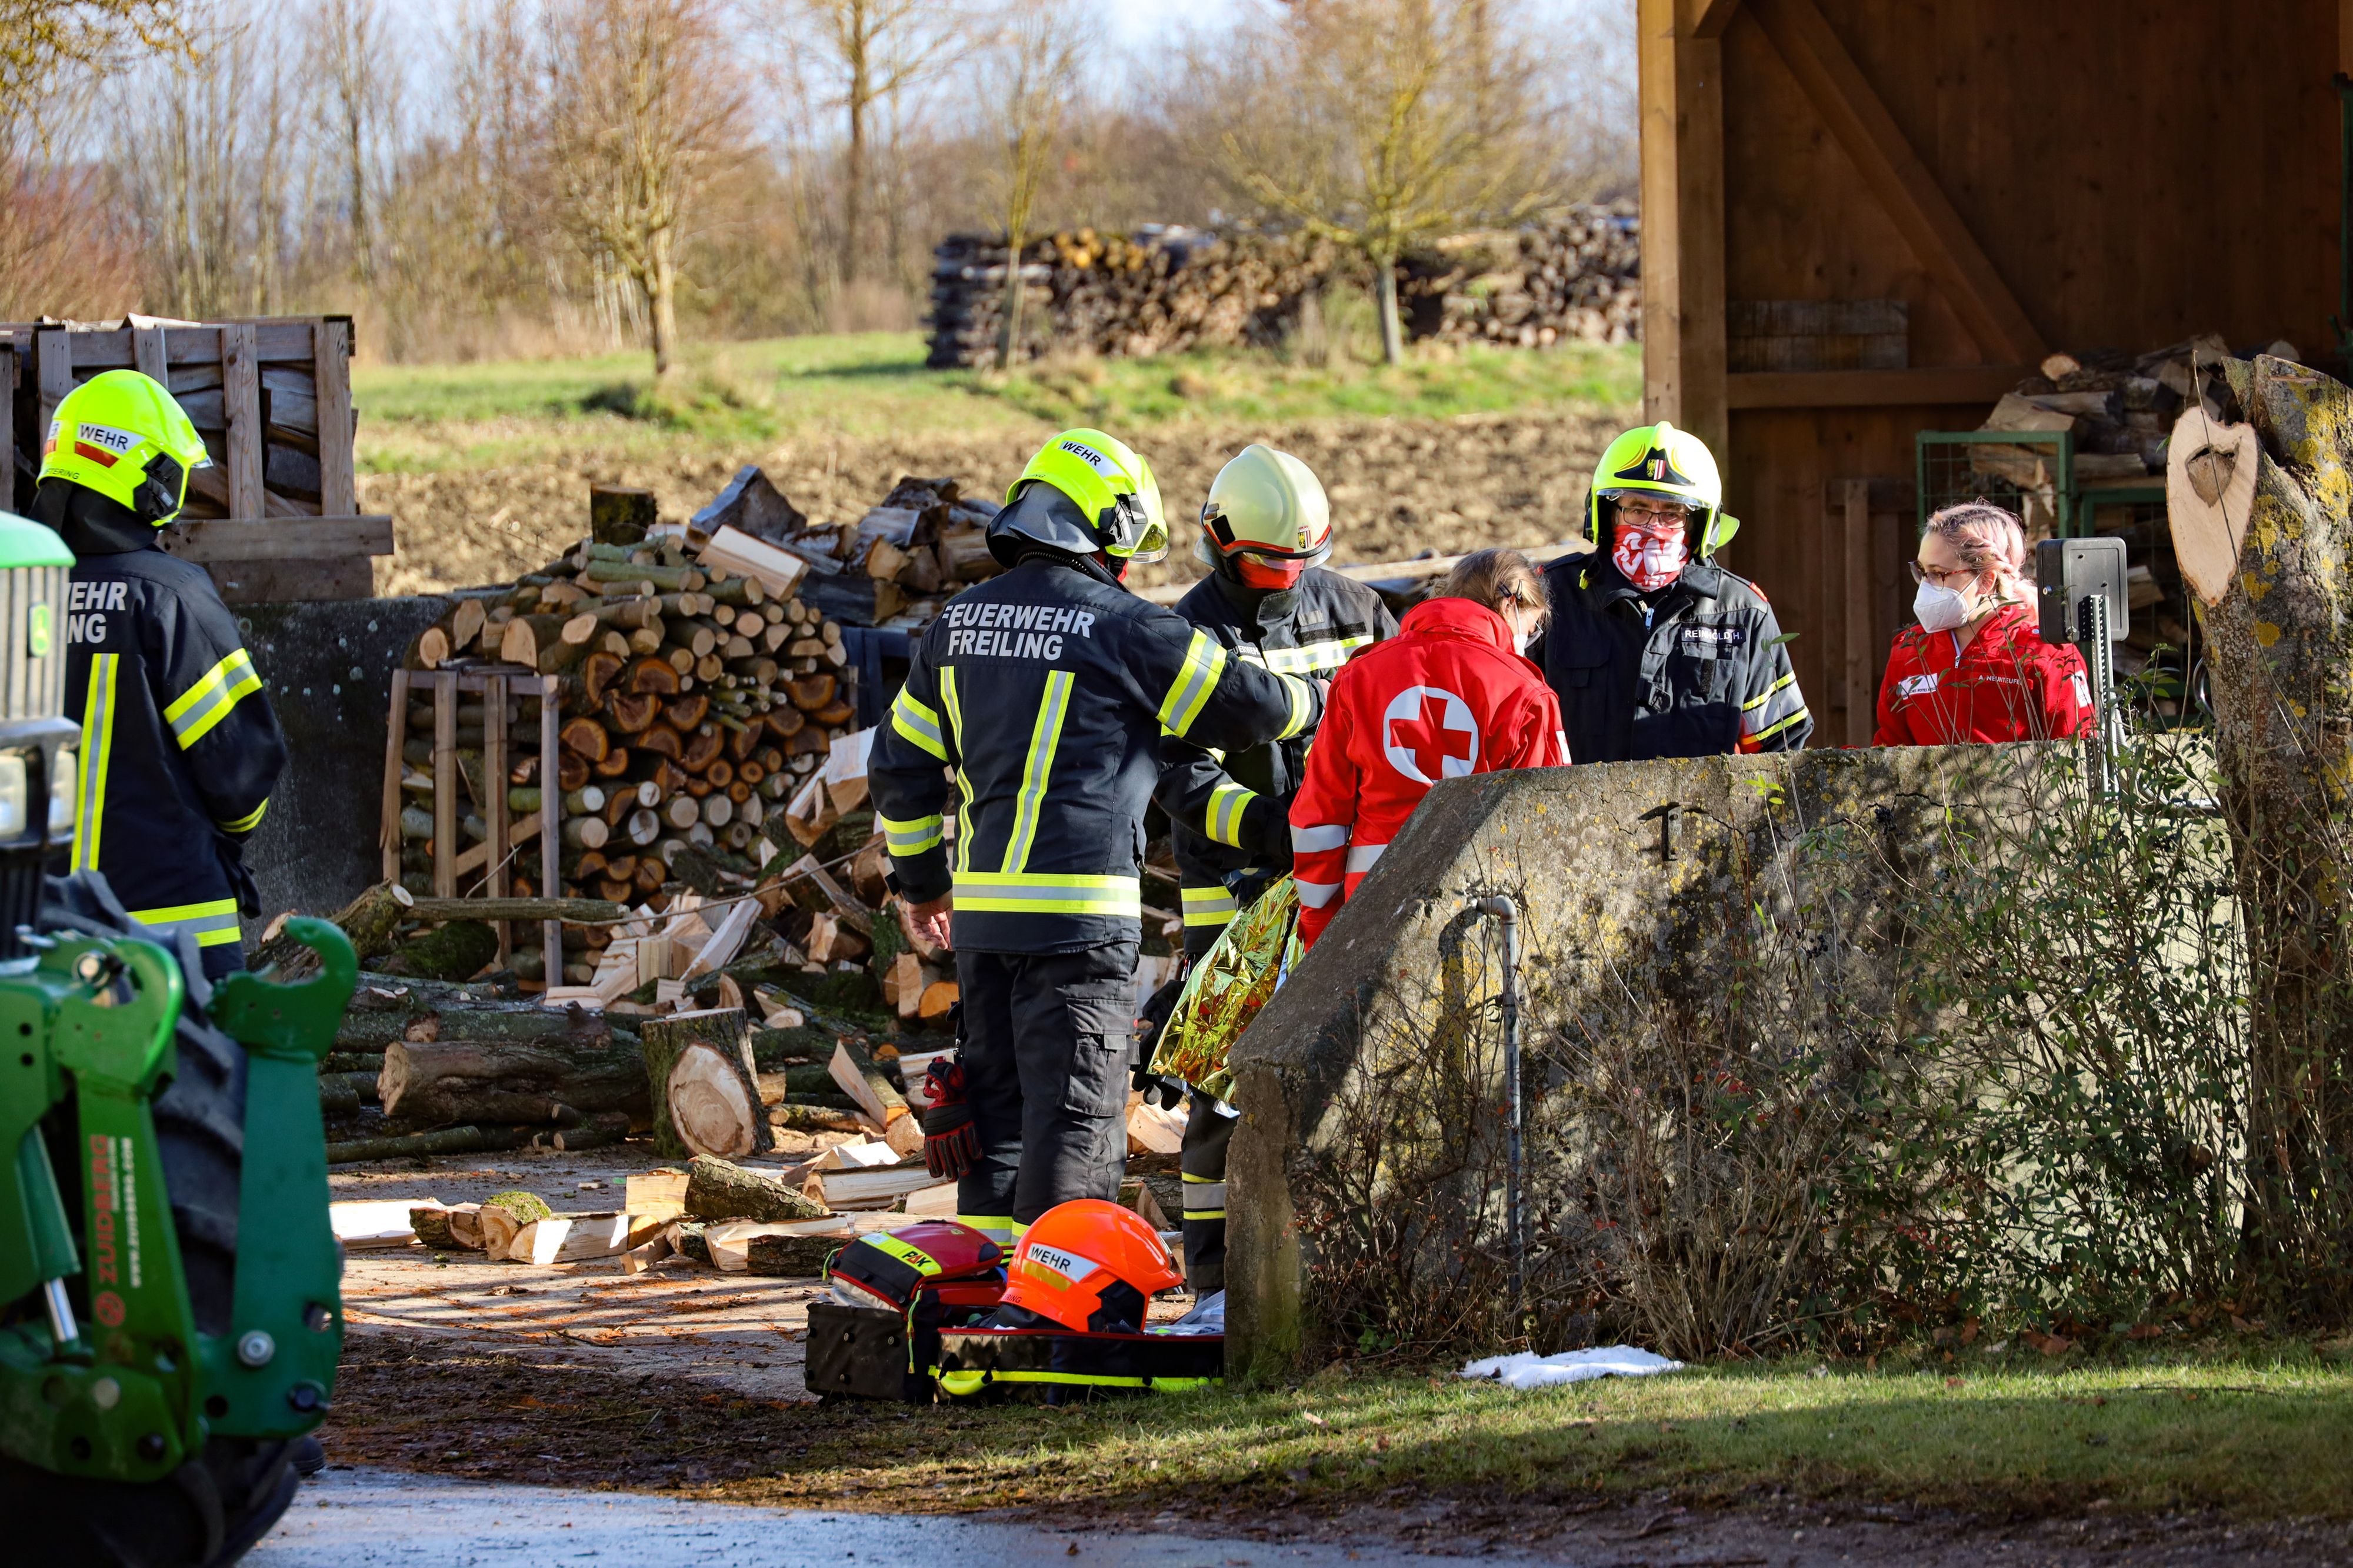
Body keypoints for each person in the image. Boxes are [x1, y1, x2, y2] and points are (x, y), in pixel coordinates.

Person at [870, 428, 1324, 1247]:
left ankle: (983, 1307)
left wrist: (923, 882)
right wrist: (1322, 700)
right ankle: (1053, 1326)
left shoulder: (955, 626)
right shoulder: (1126, 628)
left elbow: (898, 764)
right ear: (1106, 531)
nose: (1128, 571)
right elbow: (1249, 705)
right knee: (1075, 1128)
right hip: (1078, 929)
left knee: (997, 1125)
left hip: (982, 927)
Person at [1152, 442, 1396, 1292]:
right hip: (1234, 898)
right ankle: (1215, 1280)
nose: (1290, 577)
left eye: (1305, 559)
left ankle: (1341, 1269)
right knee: (1224, 1090)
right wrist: (1272, 833)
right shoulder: (1188, 630)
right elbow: (1180, 776)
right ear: (1220, 541)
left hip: (1350, 887)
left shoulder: (1363, 611)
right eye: (1268, 563)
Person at [31, 369, 285, 980]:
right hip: (171, 934)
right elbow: (241, 775)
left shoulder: (16, 591)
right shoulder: (171, 595)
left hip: (31, 931)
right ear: (151, 480)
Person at [1289, 548, 1568, 951]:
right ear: (1512, 605)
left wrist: (1319, 927)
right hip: (1480, 923)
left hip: (1366, 916)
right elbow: (1546, 825)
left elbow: (1319, 816)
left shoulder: (1358, 677)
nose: (1528, 641)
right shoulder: (1526, 694)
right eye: (1532, 628)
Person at [1537, 420, 1811, 762]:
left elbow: (1782, 747)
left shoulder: (1743, 614)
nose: (1654, 527)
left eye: (1672, 514)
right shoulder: (1549, 597)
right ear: (1606, 514)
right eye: (1637, 509)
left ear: (1700, 525)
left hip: (1698, 816)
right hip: (1571, 814)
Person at [1874, 500, 2095, 746]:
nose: (1926, 585)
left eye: (1938, 574)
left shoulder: (2047, 652)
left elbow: (2079, 755)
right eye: (1922, 572)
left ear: (1986, 580)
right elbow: (1887, 751)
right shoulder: (1909, 651)